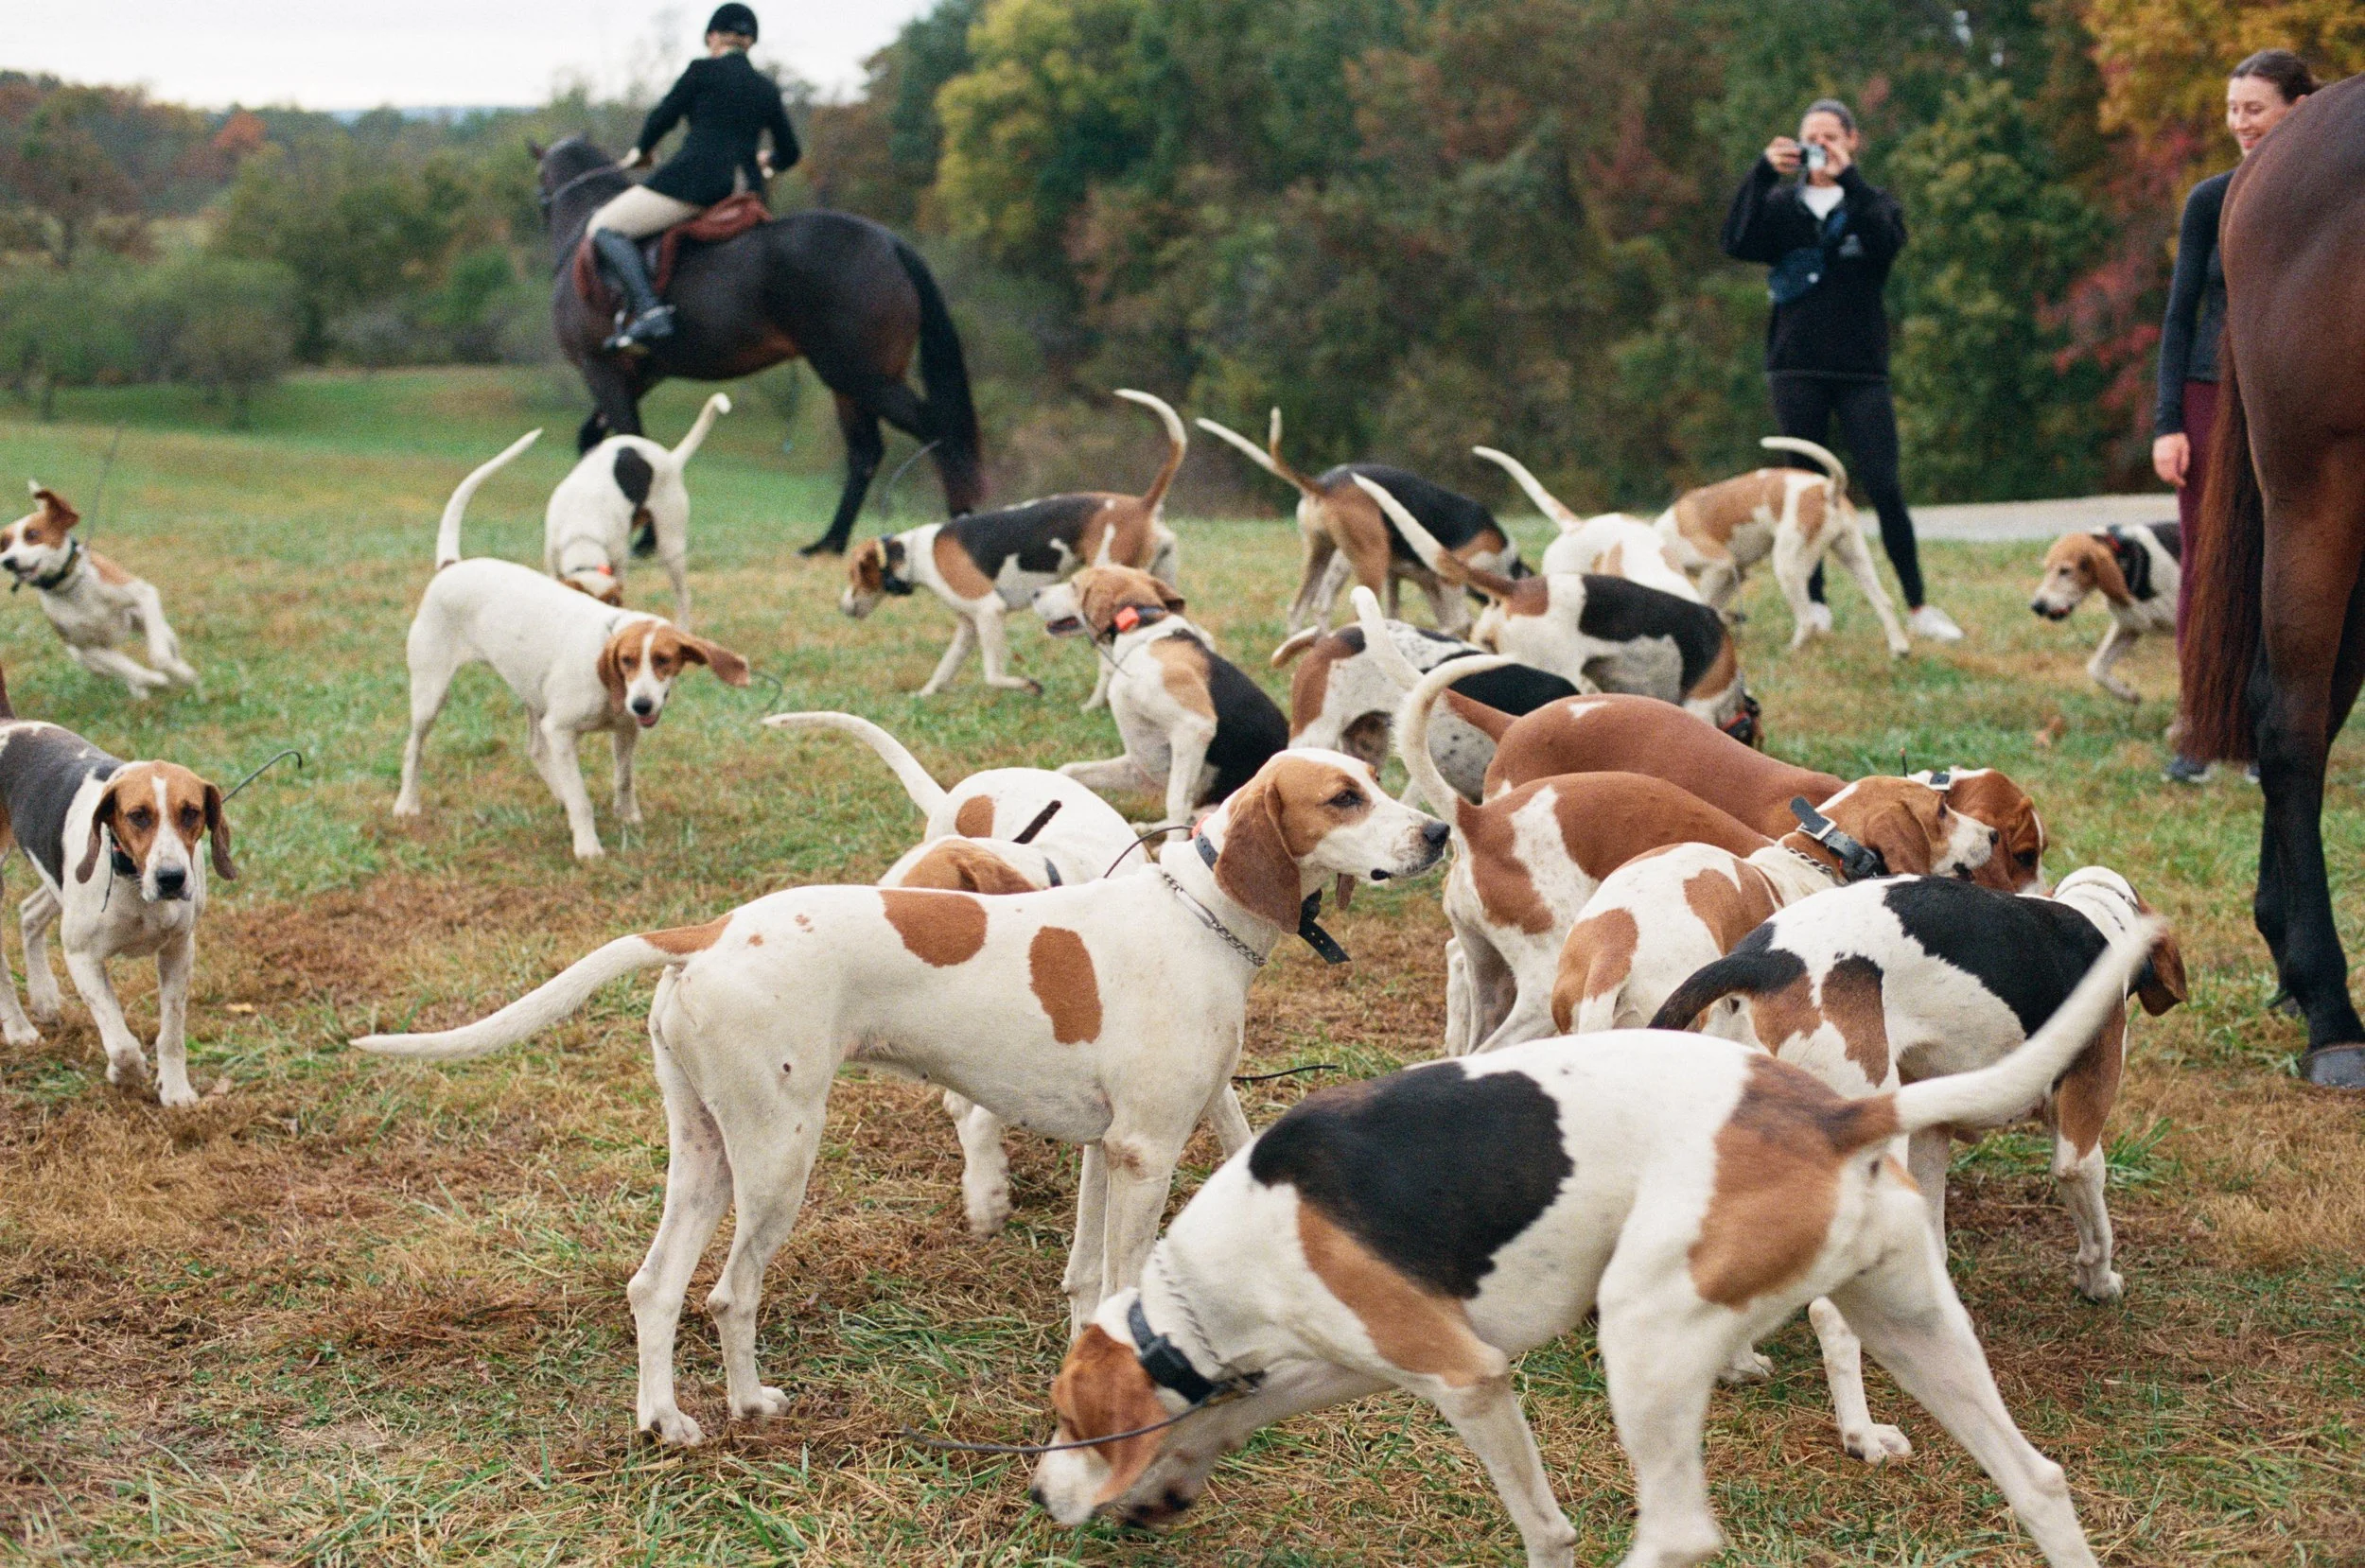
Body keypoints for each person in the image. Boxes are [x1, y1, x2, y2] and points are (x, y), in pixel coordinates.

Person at [1722, 98, 1962, 643]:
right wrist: (1761, 173)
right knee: (1802, 489)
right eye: (1811, 136)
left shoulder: (1870, 204)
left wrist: (1848, 181)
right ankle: (1816, 601)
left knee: (1883, 483)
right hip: (1795, 366)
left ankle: (1919, 606)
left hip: (1861, 371)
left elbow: (1888, 244)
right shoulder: (1782, 208)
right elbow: (1736, 240)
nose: (1821, 146)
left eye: (1832, 136)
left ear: (1853, 141)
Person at [2155, 48, 2317, 785]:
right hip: (2209, 396)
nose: (2240, 123)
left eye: (2255, 107)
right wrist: (2168, 422)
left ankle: (2266, 733)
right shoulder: (2210, 200)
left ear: (2298, 106)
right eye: (2232, 109)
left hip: (2291, 396)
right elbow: (2180, 313)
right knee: (2208, 560)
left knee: (2283, 562)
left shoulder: (2329, 199)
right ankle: (2201, 726)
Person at [587, 4, 800, 352]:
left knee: (603, 227)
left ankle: (650, 311)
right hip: (746, 191)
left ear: (713, 38)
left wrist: (642, 151)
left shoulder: (701, 71)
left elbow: (662, 117)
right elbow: (790, 153)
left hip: (695, 185)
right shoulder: (765, 87)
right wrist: (767, 161)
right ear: (749, 42)